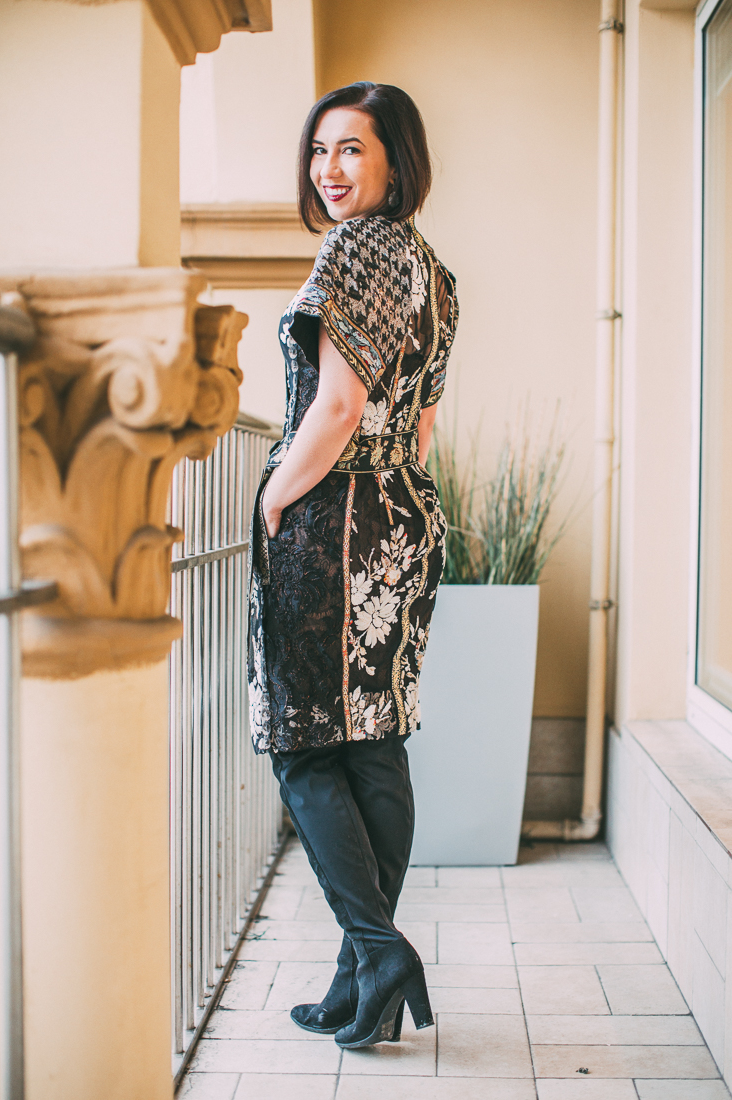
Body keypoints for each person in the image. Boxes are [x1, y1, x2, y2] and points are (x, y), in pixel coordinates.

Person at [247, 81, 458, 1050]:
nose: (328, 170)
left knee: (300, 743)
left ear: (392, 160)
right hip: (400, 520)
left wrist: (274, 495)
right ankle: (358, 977)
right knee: (372, 740)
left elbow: (334, 410)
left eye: (350, 151)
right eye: (318, 151)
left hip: (334, 522)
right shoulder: (434, 271)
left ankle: (374, 948)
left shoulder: (355, 248)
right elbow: (416, 425)